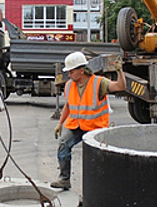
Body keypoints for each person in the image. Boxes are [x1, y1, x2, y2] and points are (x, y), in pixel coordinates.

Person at [51, 52, 126, 190]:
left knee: (93, 157)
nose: (69, 75)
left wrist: (120, 72)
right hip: (76, 125)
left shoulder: (99, 83)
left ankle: (97, 187)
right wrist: (60, 123)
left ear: (81, 70)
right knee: (63, 143)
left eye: (71, 71)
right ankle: (64, 179)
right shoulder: (69, 85)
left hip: (95, 127)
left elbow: (120, 87)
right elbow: (68, 105)